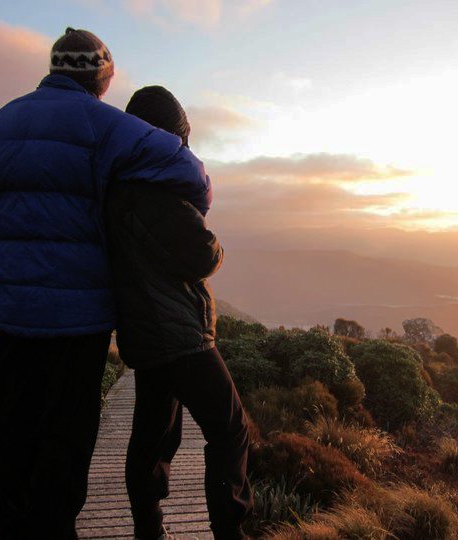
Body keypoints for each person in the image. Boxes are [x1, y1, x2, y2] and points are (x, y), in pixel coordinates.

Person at [0, 28, 212, 539]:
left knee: (9, 446)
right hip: (76, 326)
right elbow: (190, 170)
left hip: (13, 318)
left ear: (53, 68)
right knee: (63, 450)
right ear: (102, 78)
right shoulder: (104, 125)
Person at [105, 86, 253, 540]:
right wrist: (213, 238)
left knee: (154, 438)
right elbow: (203, 253)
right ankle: (230, 532)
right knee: (230, 429)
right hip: (178, 336)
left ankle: (149, 529)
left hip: (147, 333)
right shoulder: (150, 191)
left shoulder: (120, 184)